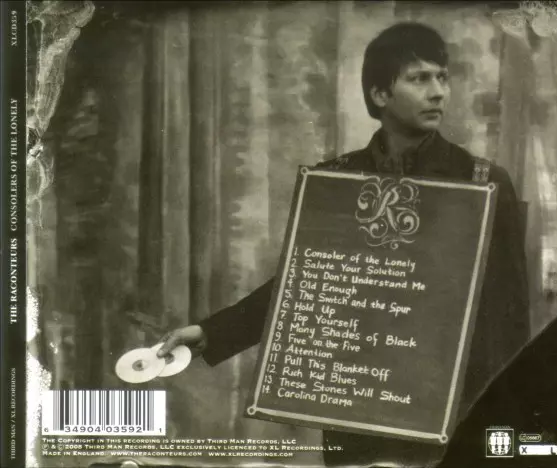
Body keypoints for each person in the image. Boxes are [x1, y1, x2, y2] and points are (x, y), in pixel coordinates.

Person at [157, 22, 530, 467]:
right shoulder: (337, 180)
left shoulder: (483, 181)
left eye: (442, 78)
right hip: (357, 412)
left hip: (449, 417)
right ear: (379, 94)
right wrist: (212, 332)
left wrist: (502, 423)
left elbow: (510, 317)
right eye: (419, 79)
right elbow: (305, 285)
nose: (437, 92)